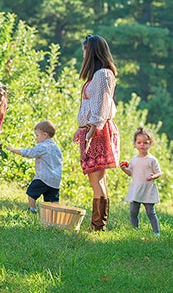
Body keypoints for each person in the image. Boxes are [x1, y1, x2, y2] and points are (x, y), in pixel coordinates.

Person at [72, 34, 119, 231]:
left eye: (85, 50)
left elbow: (102, 104)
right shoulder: (99, 74)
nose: (83, 54)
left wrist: (92, 128)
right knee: (97, 178)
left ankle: (98, 225)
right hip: (92, 128)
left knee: (96, 179)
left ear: (91, 52)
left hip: (97, 130)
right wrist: (81, 127)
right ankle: (98, 224)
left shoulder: (102, 75)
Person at [7, 120, 62, 213]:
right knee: (52, 200)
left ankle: (32, 209)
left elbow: (29, 153)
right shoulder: (57, 148)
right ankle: (55, 215)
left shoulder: (43, 146)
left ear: (45, 135)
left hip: (43, 177)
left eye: (37, 135)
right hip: (55, 180)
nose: (36, 138)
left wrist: (14, 150)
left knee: (31, 192)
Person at [120, 127, 162, 236]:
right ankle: (135, 230)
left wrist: (154, 176)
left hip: (148, 190)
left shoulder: (152, 160)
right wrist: (124, 169)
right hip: (136, 190)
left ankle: (156, 232)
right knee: (133, 211)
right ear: (135, 144)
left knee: (150, 212)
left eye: (145, 143)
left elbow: (159, 172)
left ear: (150, 143)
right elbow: (131, 173)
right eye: (139, 142)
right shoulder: (134, 159)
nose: (142, 145)